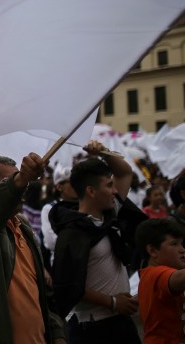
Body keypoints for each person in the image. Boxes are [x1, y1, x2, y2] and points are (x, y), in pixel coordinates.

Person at [0, 153, 65, 344]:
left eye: (21, 179)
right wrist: (22, 178)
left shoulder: (22, 225)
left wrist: (56, 332)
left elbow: (36, 290)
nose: (22, 187)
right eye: (11, 181)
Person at [50, 141, 147, 344]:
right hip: (93, 328)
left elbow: (124, 172)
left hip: (122, 323)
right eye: (108, 185)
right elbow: (68, 285)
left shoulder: (111, 215)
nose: (114, 191)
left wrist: (103, 152)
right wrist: (112, 302)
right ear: (91, 191)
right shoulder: (73, 232)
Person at [135, 218, 185, 343]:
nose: (182, 249)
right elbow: (180, 278)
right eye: (174, 244)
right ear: (152, 250)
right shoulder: (155, 273)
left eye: (181, 243)